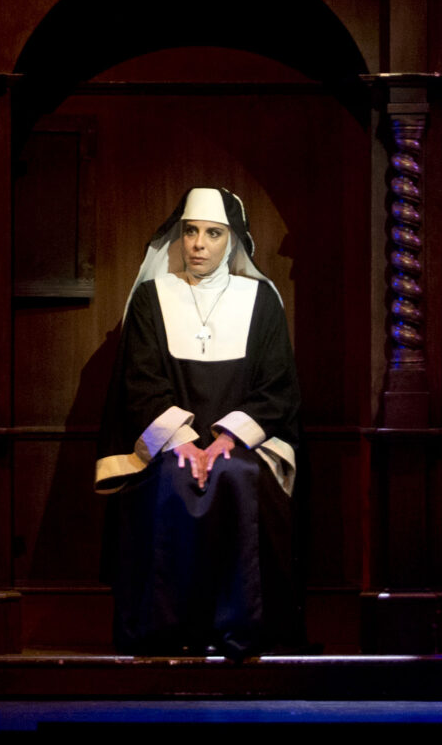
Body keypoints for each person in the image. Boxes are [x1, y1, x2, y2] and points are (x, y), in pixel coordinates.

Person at [94, 186, 301, 657]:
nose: (199, 245)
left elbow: (277, 386)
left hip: (245, 445)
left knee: (236, 474)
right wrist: (181, 441)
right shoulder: (151, 298)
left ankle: (241, 630)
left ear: (232, 240)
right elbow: (140, 379)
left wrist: (229, 438)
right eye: (191, 232)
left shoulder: (261, 300)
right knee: (175, 476)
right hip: (168, 443)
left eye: (212, 233)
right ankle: (167, 631)